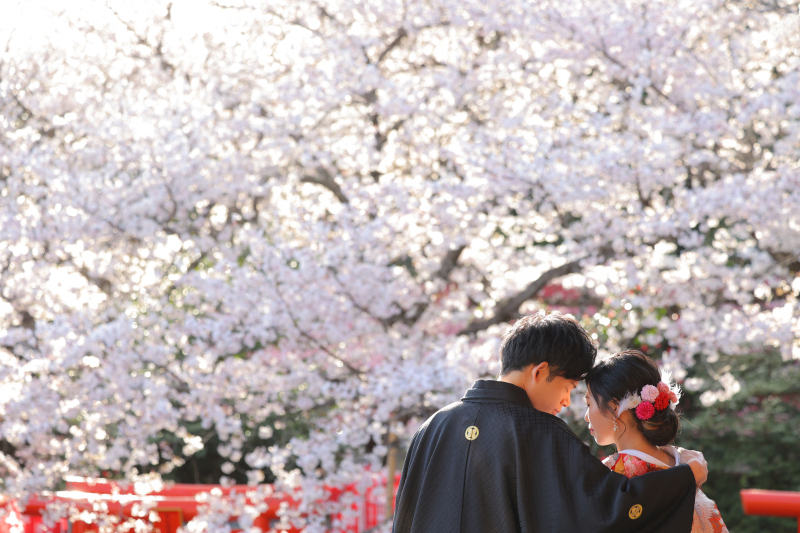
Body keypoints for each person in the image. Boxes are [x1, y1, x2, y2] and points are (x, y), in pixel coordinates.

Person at [392, 312, 708, 533]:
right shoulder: (539, 432)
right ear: (540, 372)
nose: (564, 402)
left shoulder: (430, 428)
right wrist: (683, 477)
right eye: (568, 388)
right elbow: (605, 510)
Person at [584, 349, 728, 533]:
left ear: (614, 408)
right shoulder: (683, 464)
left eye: (589, 404)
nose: (586, 417)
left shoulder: (608, 477)